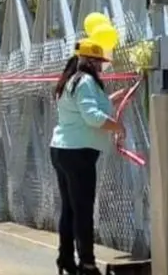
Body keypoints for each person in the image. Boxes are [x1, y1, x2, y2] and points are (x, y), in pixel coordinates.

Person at [49, 39, 128, 275]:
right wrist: (118, 128)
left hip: (62, 149)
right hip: (78, 153)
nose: (102, 67)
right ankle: (87, 263)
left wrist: (120, 97)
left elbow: (92, 107)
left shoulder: (70, 82)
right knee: (83, 209)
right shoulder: (85, 82)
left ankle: (65, 258)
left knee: (70, 209)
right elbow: (92, 117)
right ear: (90, 62)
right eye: (99, 62)